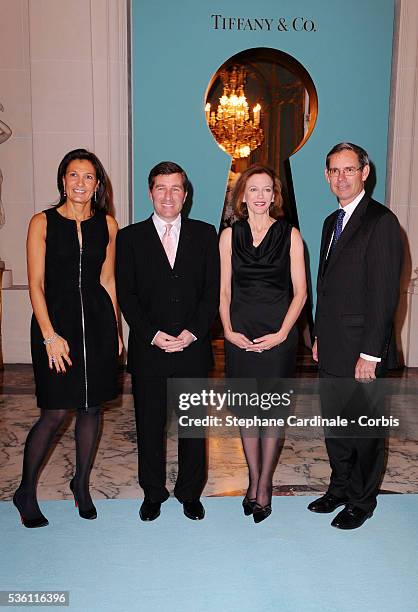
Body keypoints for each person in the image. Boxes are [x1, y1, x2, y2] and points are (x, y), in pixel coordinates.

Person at [13, 149, 121, 528]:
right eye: (73, 175)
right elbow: (36, 284)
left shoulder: (107, 224)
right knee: (56, 411)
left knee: (91, 408)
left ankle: (81, 484)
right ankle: (25, 490)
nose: (80, 183)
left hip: (97, 323)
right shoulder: (41, 222)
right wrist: (49, 336)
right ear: (62, 181)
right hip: (55, 325)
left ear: (97, 184)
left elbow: (107, 281)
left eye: (88, 177)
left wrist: (117, 329)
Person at [116, 161, 219, 522]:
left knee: (193, 426)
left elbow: (212, 293)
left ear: (185, 195)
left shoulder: (206, 235)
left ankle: (190, 493)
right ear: (150, 192)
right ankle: (153, 493)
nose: (169, 195)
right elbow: (126, 296)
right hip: (149, 349)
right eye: (161, 187)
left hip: (192, 348)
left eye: (176, 188)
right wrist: (152, 334)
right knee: (149, 424)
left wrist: (192, 332)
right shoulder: (129, 238)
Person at [309, 142, 403, 529]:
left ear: (365, 172)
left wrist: (371, 354)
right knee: (336, 427)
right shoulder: (331, 222)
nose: (340, 177)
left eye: (349, 170)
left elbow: (383, 294)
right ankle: (340, 487)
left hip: (363, 352)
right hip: (332, 345)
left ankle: (362, 501)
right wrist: (317, 336)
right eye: (334, 171)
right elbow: (326, 287)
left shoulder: (381, 221)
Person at [219, 164, 307, 523]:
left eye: (266, 189)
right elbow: (223, 290)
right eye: (253, 189)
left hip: (278, 335)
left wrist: (284, 333)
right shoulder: (229, 236)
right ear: (243, 195)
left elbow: (301, 293)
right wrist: (226, 329)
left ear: (274, 195)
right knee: (246, 413)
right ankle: (253, 480)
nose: (259, 196)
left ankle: (264, 486)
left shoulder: (290, 235)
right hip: (239, 334)